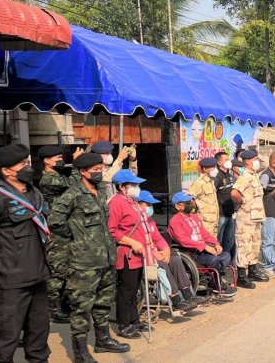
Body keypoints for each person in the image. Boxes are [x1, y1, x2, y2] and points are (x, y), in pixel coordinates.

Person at [49, 152, 129, 362]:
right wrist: (77, 238)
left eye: (101, 169)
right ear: (82, 172)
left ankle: (103, 340)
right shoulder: (72, 194)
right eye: (95, 170)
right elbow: (55, 222)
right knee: (81, 308)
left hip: (105, 259)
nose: (99, 173)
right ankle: (80, 352)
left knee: (103, 303)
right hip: (83, 262)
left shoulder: (100, 192)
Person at [0, 144, 52, 363]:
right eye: (22, 164)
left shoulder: (34, 192)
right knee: (6, 341)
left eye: (27, 162)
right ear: (6, 171)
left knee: (39, 337)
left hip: (38, 276)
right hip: (10, 282)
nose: (28, 167)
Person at [108, 169, 164, 338]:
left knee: (134, 290)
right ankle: (124, 325)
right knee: (126, 290)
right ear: (122, 187)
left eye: (137, 184)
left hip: (140, 254)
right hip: (127, 254)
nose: (136, 187)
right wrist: (131, 242)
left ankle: (134, 320)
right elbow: (111, 230)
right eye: (133, 184)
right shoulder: (116, 203)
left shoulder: (132, 201)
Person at [134, 190, 205, 311]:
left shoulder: (149, 221)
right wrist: (155, 254)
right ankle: (175, 298)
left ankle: (188, 294)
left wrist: (166, 250)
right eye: (148, 205)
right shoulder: (134, 221)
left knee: (175, 259)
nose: (150, 208)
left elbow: (158, 238)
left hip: (157, 253)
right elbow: (139, 244)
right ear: (137, 204)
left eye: (151, 205)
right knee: (163, 265)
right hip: (143, 256)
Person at [167, 193, 237, 297]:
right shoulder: (175, 221)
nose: (190, 204)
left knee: (226, 255)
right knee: (214, 260)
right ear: (178, 206)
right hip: (190, 253)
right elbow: (183, 240)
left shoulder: (194, 217)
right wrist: (204, 246)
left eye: (190, 201)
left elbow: (204, 233)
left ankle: (214, 281)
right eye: (186, 203)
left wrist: (216, 243)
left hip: (202, 251)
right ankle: (215, 284)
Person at [38, 145, 75, 324]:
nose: (60, 160)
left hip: (64, 228)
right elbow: (74, 187)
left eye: (61, 157)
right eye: (57, 158)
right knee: (58, 271)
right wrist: (76, 165)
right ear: (46, 160)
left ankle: (63, 304)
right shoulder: (48, 179)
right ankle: (53, 309)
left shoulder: (57, 176)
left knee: (67, 270)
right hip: (56, 230)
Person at [231, 149, 269, 287]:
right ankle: (241, 275)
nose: (257, 162)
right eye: (254, 159)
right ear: (247, 162)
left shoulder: (254, 176)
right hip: (246, 217)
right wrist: (243, 201)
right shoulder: (245, 176)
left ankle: (252, 269)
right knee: (244, 245)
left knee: (255, 244)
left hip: (256, 216)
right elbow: (234, 193)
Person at [259, 152, 275, 277]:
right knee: (267, 241)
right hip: (269, 213)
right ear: (273, 162)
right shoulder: (265, 175)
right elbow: (260, 193)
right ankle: (267, 266)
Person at [188, 157, 221, 238]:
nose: (215, 169)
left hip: (213, 220)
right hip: (205, 220)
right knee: (206, 242)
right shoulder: (199, 182)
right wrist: (197, 208)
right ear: (205, 169)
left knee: (213, 243)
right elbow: (190, 198)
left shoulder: (210, 181)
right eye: (212, 167)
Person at [214, 151, 237, 265]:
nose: (229, 162)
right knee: (219, 239)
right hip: (221, 214)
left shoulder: (229, 175)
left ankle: (226, 261)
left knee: (229, 239)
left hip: (230, 212)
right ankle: (218, 262)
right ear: (219, 162)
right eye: (226, 160)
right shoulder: (217, 177)